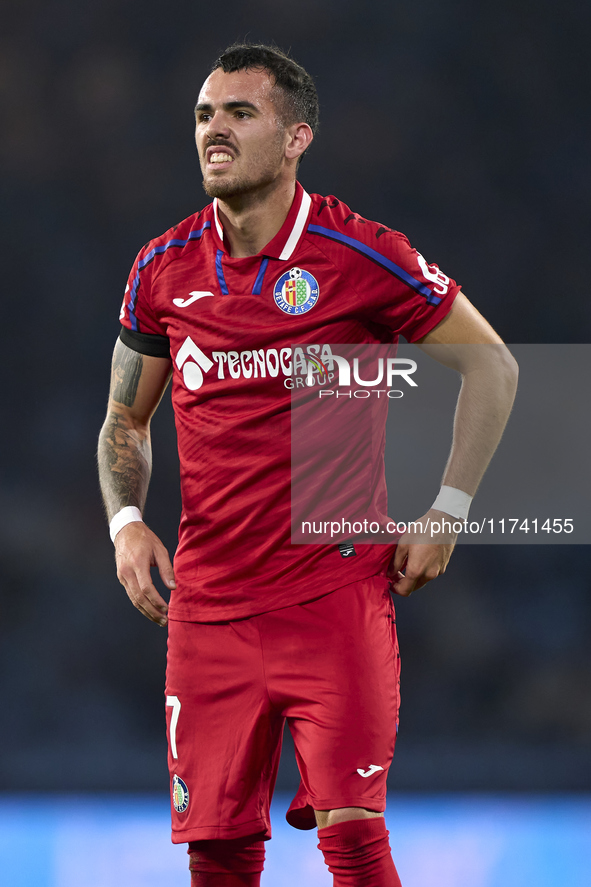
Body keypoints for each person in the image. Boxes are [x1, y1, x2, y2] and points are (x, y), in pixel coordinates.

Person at [98, 43, 518, 887]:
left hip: (333, 596)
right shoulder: (162, 269)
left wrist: (448, 509)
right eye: (204, 114)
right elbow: (123, 418)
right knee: (216, 858)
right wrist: (127, 522)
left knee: (355, 847)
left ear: (296, 137)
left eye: (239, 113)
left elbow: (493, 365)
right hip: (208, 609)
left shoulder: (359, 253)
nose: (213, 129)